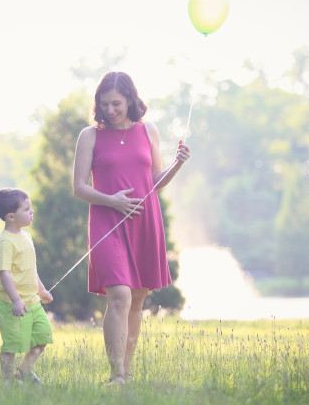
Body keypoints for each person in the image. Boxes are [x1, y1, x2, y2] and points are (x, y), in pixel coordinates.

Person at [72, 72, 191, 384]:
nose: (110, 110)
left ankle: (126, 370)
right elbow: (79, 187)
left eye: (116, 103)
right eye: (104, 104)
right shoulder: (90, 136)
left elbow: (153, 182)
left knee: (137, 299)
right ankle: (115, 375)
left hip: (144, 220)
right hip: (106, 221)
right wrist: (111, 201)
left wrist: (177, 165)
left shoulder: (148, 131)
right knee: (120, 296)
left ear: (130, 100)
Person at [0, 188, 54, 385]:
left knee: (43, 336)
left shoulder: (25, 236)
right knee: (11, 346)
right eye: (26, 209)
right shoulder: (5, 242)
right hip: (12, 305)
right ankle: (7, 382)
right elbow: (4, 274)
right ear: (11, 216)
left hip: (33, 301)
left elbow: (30, 269)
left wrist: (41, 289)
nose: (31, 211)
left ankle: (24, 371)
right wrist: (16, 300)